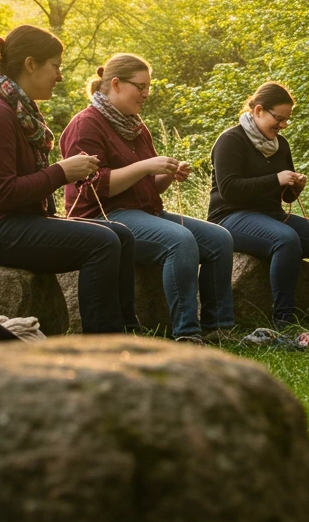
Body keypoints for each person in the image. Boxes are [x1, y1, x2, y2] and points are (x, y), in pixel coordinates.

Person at [0, 25, 138, 334]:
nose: (60, 76)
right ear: (30, 64)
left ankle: (129, 331)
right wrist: (63, 172)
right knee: (102, 243)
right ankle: (104, 344)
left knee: (121, 235)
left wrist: (64, 173)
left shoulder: (16, 109)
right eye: (56, 66)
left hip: (9, 220)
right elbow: (2, 194)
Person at [61, 53, 235, 340]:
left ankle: (218, 327)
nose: (145, 94)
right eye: (140, 86)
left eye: (148, 87)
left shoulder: (135, 126)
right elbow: (95, 187)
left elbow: (149, 187)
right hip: (104, 217)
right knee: (179, 240)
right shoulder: (85, 125)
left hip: (145, 213)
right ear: (115, 84)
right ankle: (187, 334)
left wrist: (168, 173)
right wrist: (144, 166)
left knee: (219, 238)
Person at [208, 82, 309, 332]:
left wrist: (293, 187)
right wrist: (276, 179)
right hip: (230, 216)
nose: (282, 125)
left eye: (286, 120)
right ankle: (284, 320)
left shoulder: (280, 144)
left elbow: (284, 198)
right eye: (278, 118)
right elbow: (229, 188)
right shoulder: (231, 140)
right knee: (285, 239)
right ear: (257, 111)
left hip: (270, 215)